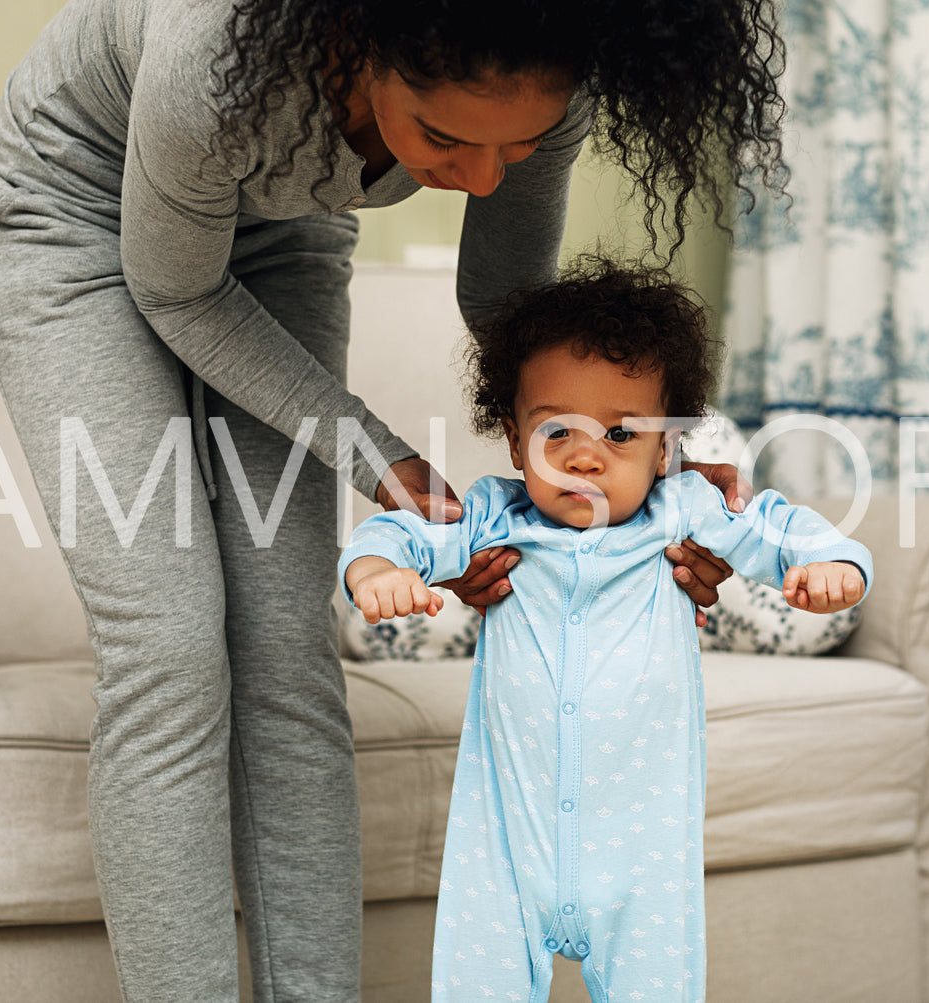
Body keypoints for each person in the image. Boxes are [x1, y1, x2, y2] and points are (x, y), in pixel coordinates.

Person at [0, 1, 787, 999]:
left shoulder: (545, 69)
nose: (484, 178)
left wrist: (655, 463)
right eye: (443, 137)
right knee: (171, 642)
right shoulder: (214, 51)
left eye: (516, 145)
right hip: (77, 217)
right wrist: (379, 457)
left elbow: (511, 317)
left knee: (284, 639)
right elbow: (176, 290)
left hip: (280, 230)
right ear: (355, 45)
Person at [340, 259, 871, 1002]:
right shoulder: (493, 514)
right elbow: (402, 535)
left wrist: (829, 560)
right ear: (512, 432)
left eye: (619, 432)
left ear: (665, 450)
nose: (584, 453)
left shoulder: (682, 508)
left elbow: (778, 527)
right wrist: (376, 572)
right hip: (503, 846)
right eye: (556, 428)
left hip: (641, 857)